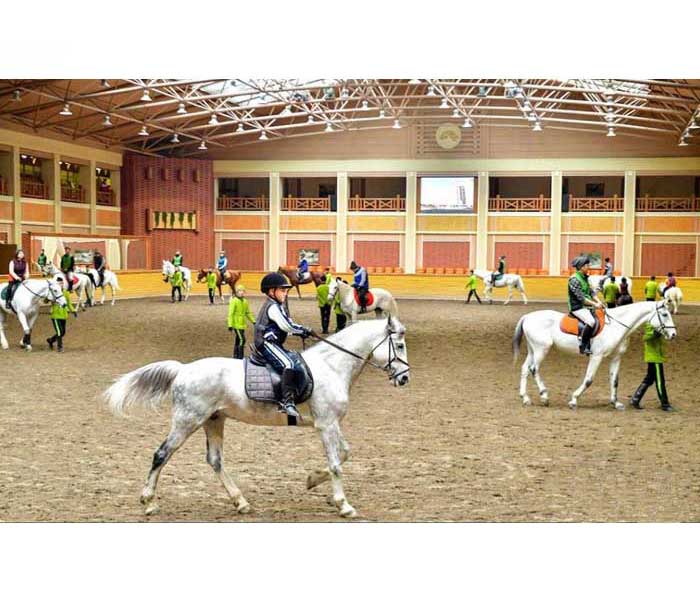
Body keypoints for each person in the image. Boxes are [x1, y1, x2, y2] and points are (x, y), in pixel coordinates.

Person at [254, 272, 313, 418]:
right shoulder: (272, 307)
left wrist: (300, 330)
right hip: (266, 343)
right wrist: (303, 330)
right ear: (271, 291)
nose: (285, 294)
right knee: (289, 364)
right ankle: (287, 402)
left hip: (274, 342)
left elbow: (287, 324)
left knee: (294, 359)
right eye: (282, 290)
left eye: (286, 291)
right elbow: (286, 326)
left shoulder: (278, 306)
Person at [629, 322, 673, 412]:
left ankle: (636, 398)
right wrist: (655, 335)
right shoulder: (651, 325)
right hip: (654, 358)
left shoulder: (659, 324)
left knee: (649, 379)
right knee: (660, 381)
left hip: (656, 356)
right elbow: (646, 338)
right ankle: (665, 404)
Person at [567, 255, 604, 355]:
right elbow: (581, 298)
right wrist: (595, 304)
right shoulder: (574, 279)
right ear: (582, 267)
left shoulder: (585, 278)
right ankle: (583, 345)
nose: (589, 267)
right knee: (591, 321)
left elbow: (592, 292)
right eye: (587, 265)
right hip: (577, 307)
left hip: (588, 306)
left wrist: (599, 301)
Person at [46, 275, 77, 353]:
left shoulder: (66, 293)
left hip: (63, 315)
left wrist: (73, 311)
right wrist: (48, 298)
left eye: (61, 283)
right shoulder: (53, 292)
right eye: (59, 283)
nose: (61, 285)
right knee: (59, 332)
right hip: (55, 315)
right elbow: (45, 301)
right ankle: (60, 347)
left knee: (63, 332)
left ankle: (51, 340)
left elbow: (69, 303)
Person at [228, 285, 255, 359]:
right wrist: (230, 324)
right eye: (240, 291)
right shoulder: (234, 301)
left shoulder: (245, 301)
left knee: (238, 340)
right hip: (236, 324)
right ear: (236, 292)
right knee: (242, 339)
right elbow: (231, 313)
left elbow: (248, 313)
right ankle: (240, 356)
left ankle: (235, 356)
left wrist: (253, 321)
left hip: (242, 324)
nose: (241, 292)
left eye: (243, 291)